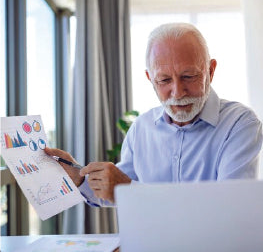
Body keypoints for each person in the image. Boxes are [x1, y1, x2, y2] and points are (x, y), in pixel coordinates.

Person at [45, 22, 263, 206]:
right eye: (164, 80)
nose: (177, 92)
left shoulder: (240, 124)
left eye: (188, 76)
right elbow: (115, 192)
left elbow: (230, 207)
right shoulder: (142, 128)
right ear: (150, 78)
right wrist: (79, 179)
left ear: (211, 71)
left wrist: (130, 190)